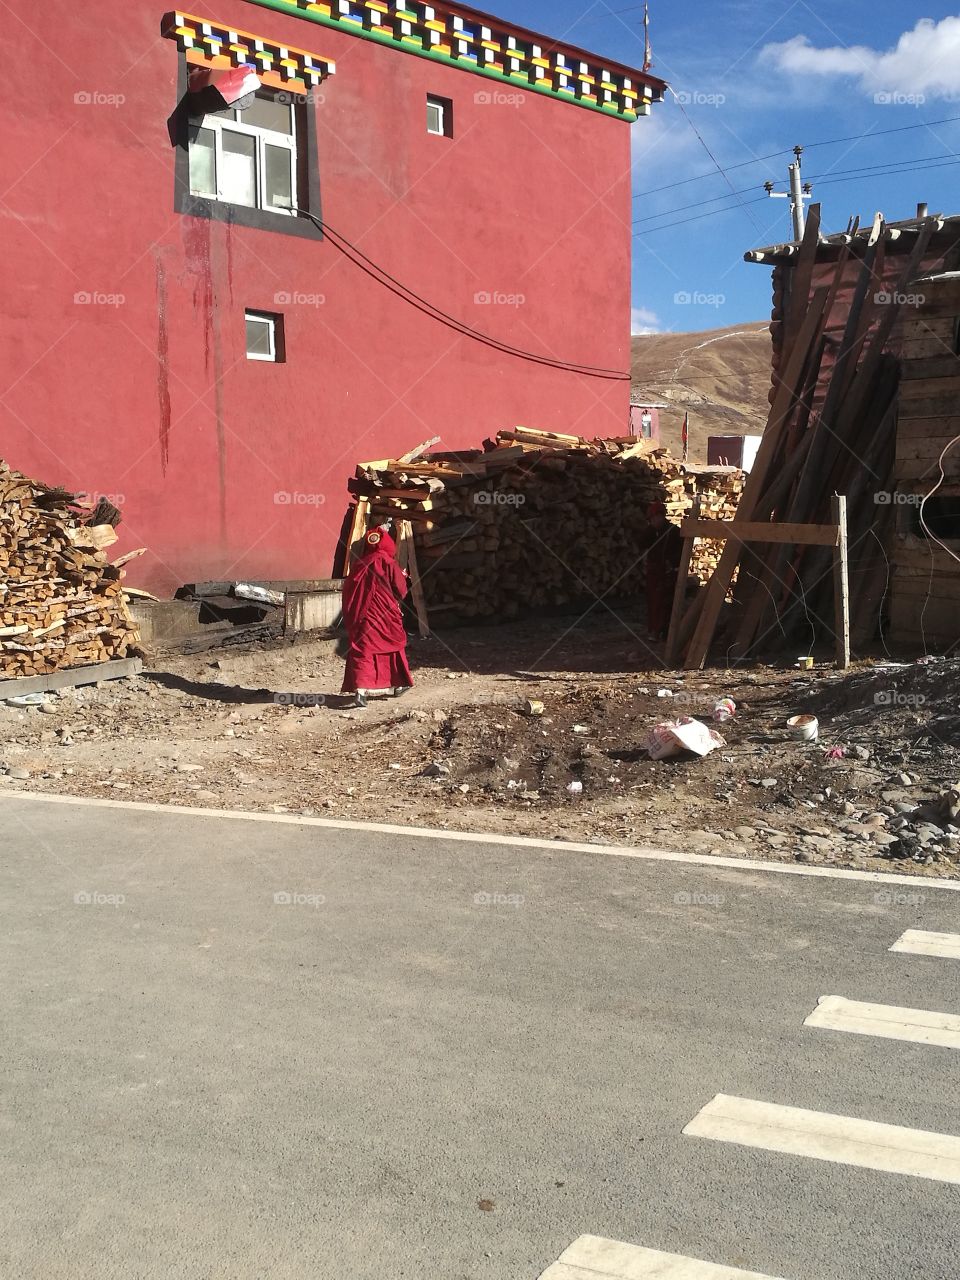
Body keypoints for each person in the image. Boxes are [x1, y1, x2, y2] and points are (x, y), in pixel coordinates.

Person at [341, 525, 413, 708]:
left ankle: (360, 691)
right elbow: (401, 589)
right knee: (393, 645)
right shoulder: (388, 563)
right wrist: (403, 577)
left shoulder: (359, 564)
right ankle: (399, 684)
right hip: (385, 614)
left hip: (363, 615)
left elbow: (349, 589)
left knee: (363, 649)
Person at [639, 500, 683, 642]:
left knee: (666, 603)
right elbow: (641, 543)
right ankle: (653, 629)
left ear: (661, 516)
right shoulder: (650, 532)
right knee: (653, 602)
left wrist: (672, 563)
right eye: (650, 519)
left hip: (668, 572)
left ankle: (664, 630)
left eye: (655, 518)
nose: (653, 521)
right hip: (654, 572)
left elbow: (680, 551)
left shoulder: (673, 531)